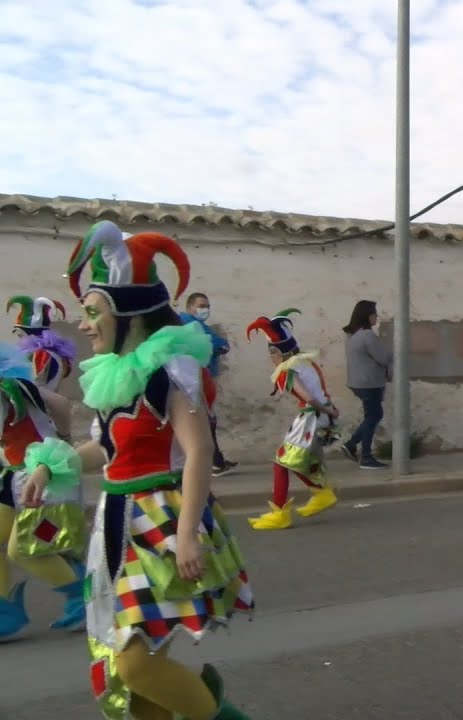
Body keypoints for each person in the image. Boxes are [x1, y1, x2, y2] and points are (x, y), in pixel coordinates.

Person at [24, 219, 253, 718]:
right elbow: (105, 448)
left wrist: (188, 534)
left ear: (128, 315)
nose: (84, 325)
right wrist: (49, 466)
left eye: (92, 313)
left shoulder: (171, 368)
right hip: (116, 521)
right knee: (137, 669)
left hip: (163, 519)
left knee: (134, 667)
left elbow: (197, 451)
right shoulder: (115, 376)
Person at [0, 341, 87, 640]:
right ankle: (5, 610)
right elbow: (61, 407)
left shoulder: (12, 388)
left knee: (24, 549)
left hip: (44, 474)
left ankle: (84, 597)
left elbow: (61, 406)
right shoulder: (14, 385)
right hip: (16, 474)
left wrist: (60, 446)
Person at [245, 309, 341, 531]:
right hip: (321, 416)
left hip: (311, 418)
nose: (271, 358)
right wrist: (330, 411)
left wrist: (327, 411)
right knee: (292, 460)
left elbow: (308, 397)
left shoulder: (285, 371)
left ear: (277, 353)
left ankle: (280, 514)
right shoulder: (307, 362)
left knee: (281, 462)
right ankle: (321, 494)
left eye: (271, 353)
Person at [179, 292, 238, 476]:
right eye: (201, 305)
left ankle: (216, 461)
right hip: (196, 380)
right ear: (190, 307)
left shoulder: (198, 325)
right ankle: (214, 463)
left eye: (207, 306)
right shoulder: (189, 323)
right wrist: (221, 344)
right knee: (205, 422)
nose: (205, 309)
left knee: (206, 421)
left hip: (199, 379)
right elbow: (217, 343)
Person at [340, 300, 390, 470]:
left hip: (358, 382)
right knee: (373, 416)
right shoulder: (368, 336)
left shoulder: (353, 335)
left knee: (373, 415)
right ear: (368, 316)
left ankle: (352, 445)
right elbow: (383, 358)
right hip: (370, 383)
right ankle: (366, 457)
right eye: (375, 313)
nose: (377, 316)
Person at [8, 294, 76, 393]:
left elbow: (36, 386)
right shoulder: (56, 353)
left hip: (40, 404)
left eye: (21, 335)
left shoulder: (41, 354)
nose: (20, 341)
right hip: (53, 399)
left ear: (31, 334)